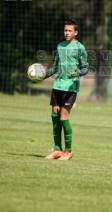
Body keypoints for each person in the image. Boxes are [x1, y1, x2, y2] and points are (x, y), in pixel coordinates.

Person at [29, 19, 89, 160]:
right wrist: (42, 76)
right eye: (65, 30)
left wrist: (78, 73)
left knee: (63, 118)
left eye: (69, 31)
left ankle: (68, 151)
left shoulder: (80, 48)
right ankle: (56, 149)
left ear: (76, 32)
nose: (67, 33)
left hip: (71, 87)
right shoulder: (60, 46)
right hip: (57, 86)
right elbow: (55, 67)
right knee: (55, 118)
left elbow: (86, 68)